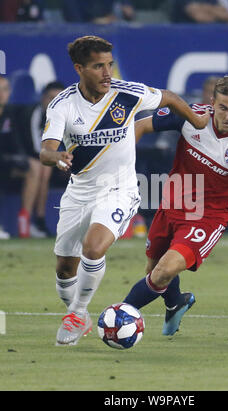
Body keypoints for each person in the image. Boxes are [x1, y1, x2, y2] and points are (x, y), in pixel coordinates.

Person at [39, 35, 210, 346]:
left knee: (94, 247)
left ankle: (77, 314)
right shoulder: (63, 105)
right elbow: (46, 150)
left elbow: (169, 97)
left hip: (120, 189)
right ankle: (78, 312)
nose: (107, 73)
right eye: (98, 66)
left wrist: (197, 120)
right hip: (79, 191)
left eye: (110, 65)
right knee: (65, 270)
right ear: (79, 69)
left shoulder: (126, 93)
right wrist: (58, 156)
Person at [124, 74, 228, 336]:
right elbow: (140, 126)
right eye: (223, 108)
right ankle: (176, 302)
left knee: (163, 271)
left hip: (206, 219)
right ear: (212, 103)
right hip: (170, 206)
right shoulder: (191, 117)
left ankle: (120, 315)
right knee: (154, 271)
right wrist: (121, 165)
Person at [17, 81, 65, 238]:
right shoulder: (34, 114)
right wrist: (56, 158)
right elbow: (37, 149)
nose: (54, 102)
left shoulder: (66, 115)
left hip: (57, 160)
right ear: (43, 98)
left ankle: (40, 220)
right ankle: (31, 219)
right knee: (42, 168)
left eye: (58, 98)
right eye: (51, 97)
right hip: (27, 158)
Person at [0, 75, 29, 239]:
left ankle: (26, 221)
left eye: (4, 90)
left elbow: (16, 143)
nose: (1, 94)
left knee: (35, 168)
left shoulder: (10, 114)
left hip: (5, 166)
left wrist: (20, 159)